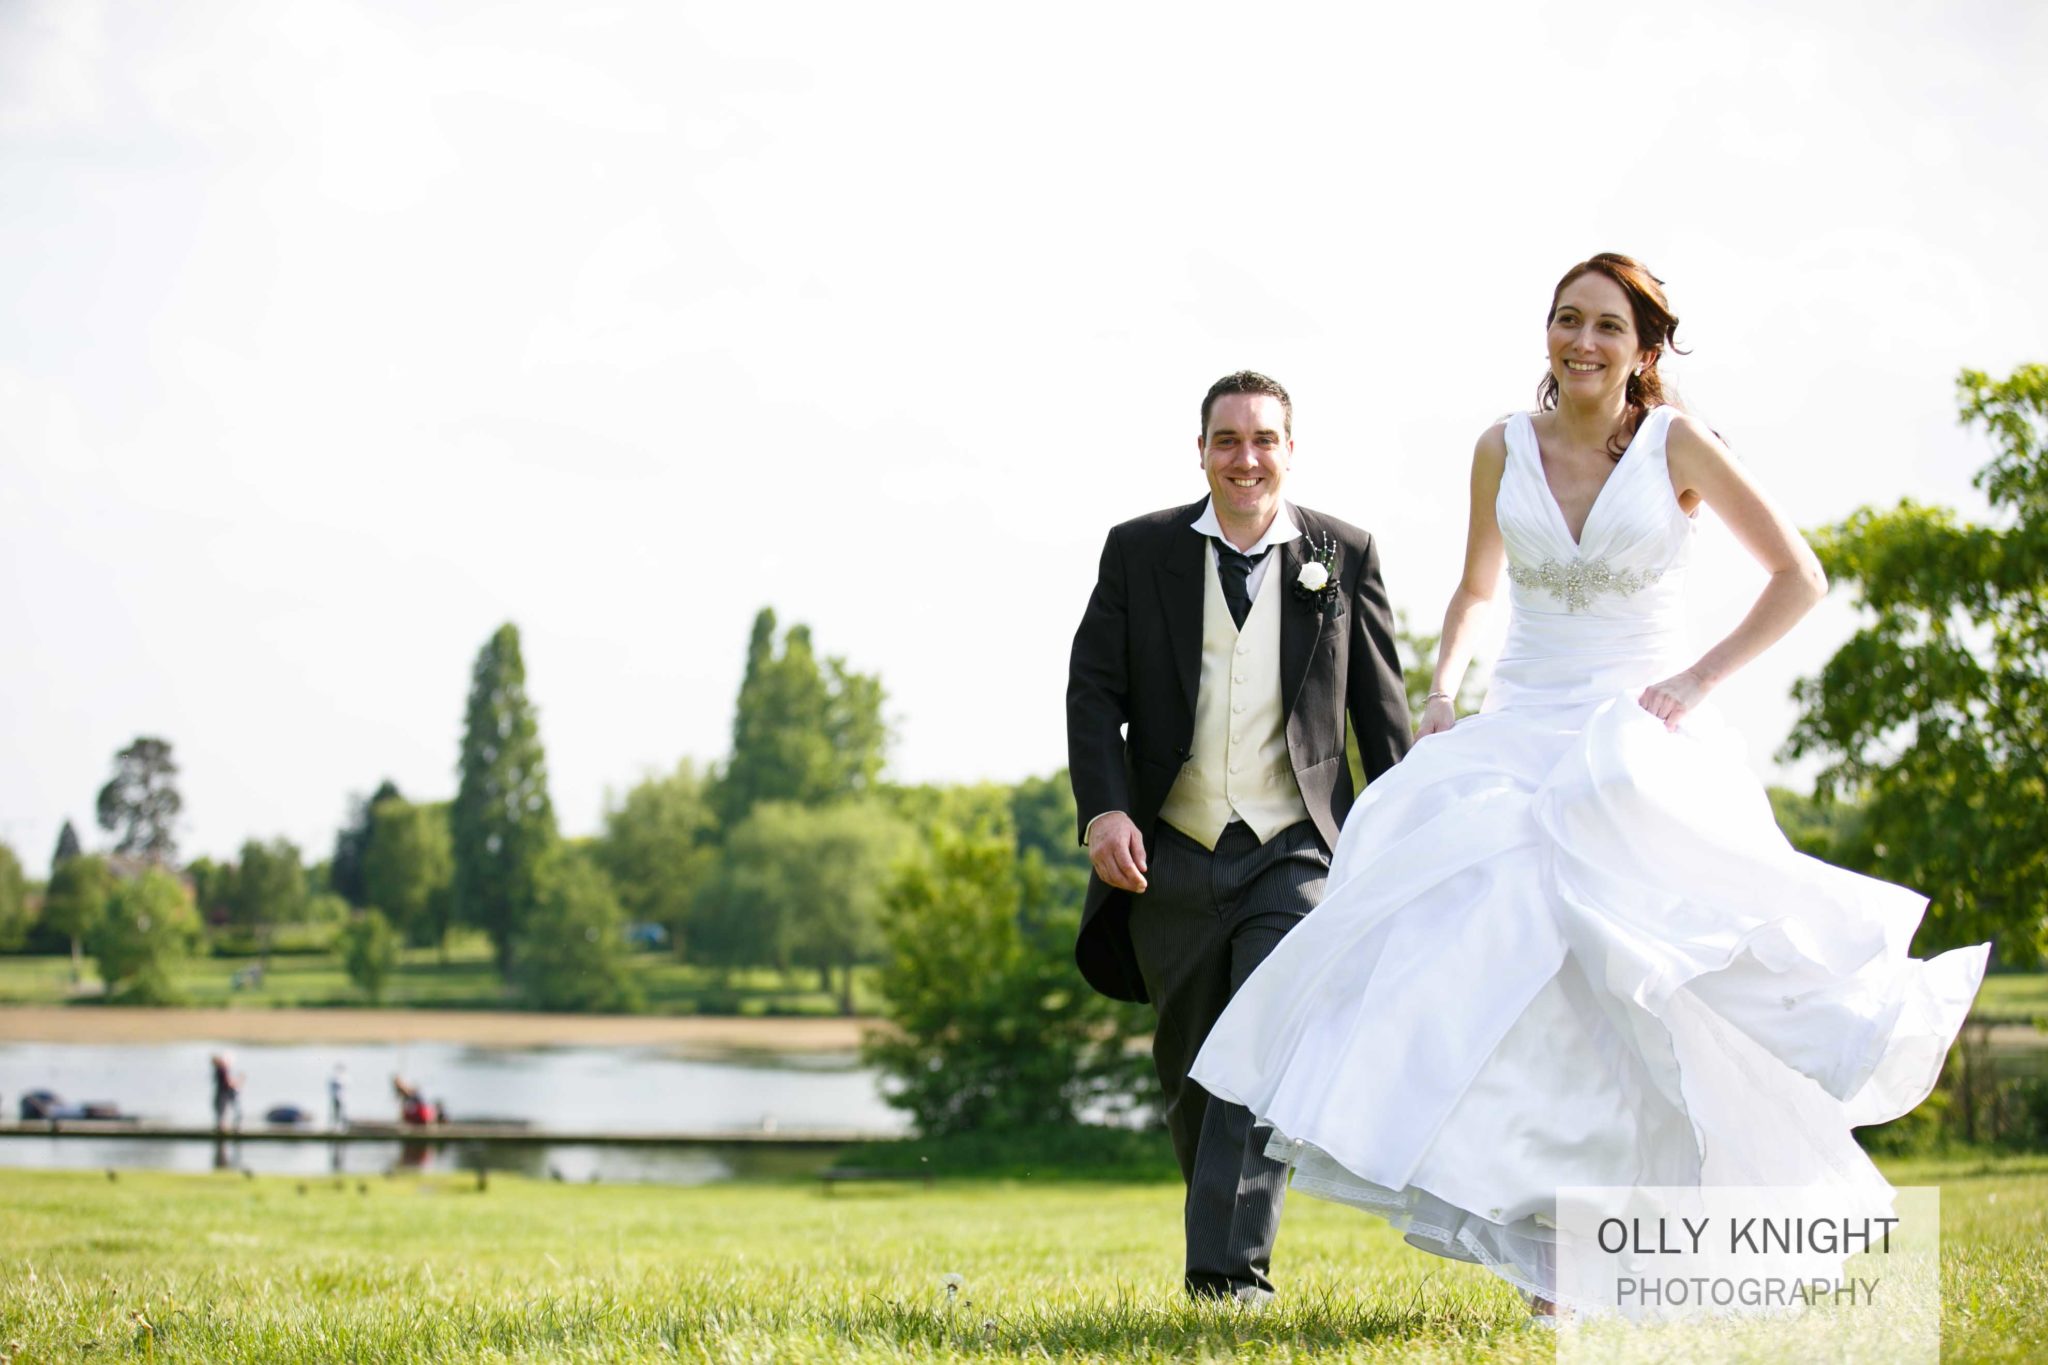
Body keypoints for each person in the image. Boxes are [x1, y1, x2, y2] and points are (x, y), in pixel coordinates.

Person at [1187, 254, 1989, 1318]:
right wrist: (1439, 692)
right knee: (1499, 967)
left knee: (1649, 987)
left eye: (1606, 326)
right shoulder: (1498, 447)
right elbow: (1477, 588)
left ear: (1643, 351)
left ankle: (1647, 1231)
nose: (1581, 341)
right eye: (1566, 320)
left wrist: (1696, 681)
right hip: (1518, 725)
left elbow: (1799, 575)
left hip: (1633, 737)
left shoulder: (1678, 446)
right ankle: (1543, 1238)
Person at [1066, 370, 1413, 1304]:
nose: (1246, 457)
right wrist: (1103, 811)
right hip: (1169, 849)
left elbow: (1381, 716)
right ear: (1202, 451)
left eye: (1264, 439)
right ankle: (1222, 1226)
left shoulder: (1344, 553)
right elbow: (1094, 690)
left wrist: (1415, 836)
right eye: (1228, 439)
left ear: (1289, 449)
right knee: (1190, 1076)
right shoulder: (1138, 552)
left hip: (1293, 845)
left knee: (1260, 1047)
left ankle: (1229, 1279)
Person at [210, 1052, 243, 1133]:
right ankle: (225, 1127)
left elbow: (226, 1082)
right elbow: (227, 1083)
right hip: (223, 1094)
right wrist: (239, 1081)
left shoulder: (220, 1069)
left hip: (222, 1093)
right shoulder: (222, 1070)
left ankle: (223, 1127)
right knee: (224, 1110)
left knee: (222, 1111)